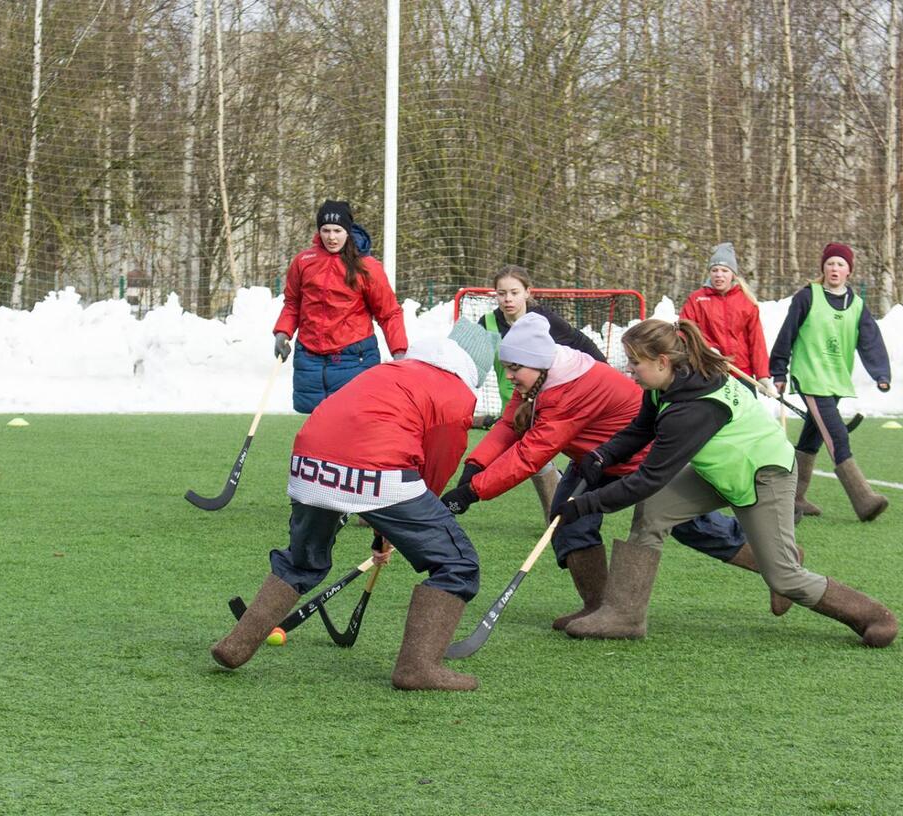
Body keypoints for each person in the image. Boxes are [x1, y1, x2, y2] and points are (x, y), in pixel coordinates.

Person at [439, 312, 791, 632]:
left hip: (637, 458)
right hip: (594, 457)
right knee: (568, 521)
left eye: (515, 368)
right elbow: (509, 425)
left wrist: (473, 493)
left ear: (537, 363)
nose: (510, 376)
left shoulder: (569, 389)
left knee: (690, 528)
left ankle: (772, 565)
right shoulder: (537, 377)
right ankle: (597, 607)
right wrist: (475, 467)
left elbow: (532, 454)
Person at [557, 318, 898, 648]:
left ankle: (873, 616)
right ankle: (625, 616)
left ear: (662, 361)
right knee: (654, 511)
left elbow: (647, 479)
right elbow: (640, 430)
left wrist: (585, 504)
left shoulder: (691, 410)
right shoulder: (668, 383)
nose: (629, 370)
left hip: (764, 475)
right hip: (724, 468)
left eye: (635, 363)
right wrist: (601, 456)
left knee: (785, 578)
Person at [213, 318, 500, 691]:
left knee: (302, 561)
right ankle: (418, 668)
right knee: (458, 565)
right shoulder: (456, 394)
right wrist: (398, 530)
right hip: (377, 470)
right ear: (474, 369)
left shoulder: (394, 369)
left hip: (308, 462)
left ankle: (236, 645)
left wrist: (386, 530)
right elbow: (433, 471)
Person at [768, 242, 891, 522]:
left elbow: (870, 341)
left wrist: (881, 374)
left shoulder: (857, 305)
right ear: (823, 267)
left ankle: (794, 498)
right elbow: (787, 334)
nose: (834, 268)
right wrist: (778, 370)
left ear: (849, 270)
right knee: (837, 435)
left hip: (836, 379)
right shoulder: (807, 297)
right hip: (811, 377)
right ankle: (863, 498)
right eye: (830, 263)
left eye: (840, 264)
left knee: (812, 437)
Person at [476, 265, 608, 520]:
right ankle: (558, 512)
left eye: (514, 292)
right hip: (515, 404)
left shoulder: (545, 321)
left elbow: (582, 344)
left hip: (552, 402)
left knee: (539, 458)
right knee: (537, 462)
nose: (508, 299)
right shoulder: (488, 323)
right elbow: (475, 359)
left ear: (527, 292)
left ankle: (560, 515)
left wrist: (605, 376)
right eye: (501, 293)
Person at [272, 200, 408, 413]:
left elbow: (389, 313)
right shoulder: (303, 262)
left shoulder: (368, 267)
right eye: (326, 230)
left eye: (338, 230)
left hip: (354, 358)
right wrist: (282, 332)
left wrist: (399, 352)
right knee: (316, 421)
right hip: (309, 358)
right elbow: (293, 303)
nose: (331, 237)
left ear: (348, 231)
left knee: (353, 420)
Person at [679, 242, 772, 394]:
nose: (719, 275)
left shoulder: (746, 301)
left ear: (733, 274)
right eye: (714, 270)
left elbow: (757, 341)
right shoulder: (696, 299)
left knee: (747, 417)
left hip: (742, 373)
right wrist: (707, 349)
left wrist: (762, 376)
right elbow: (683, 331)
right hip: (709, 371)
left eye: (724, 270)